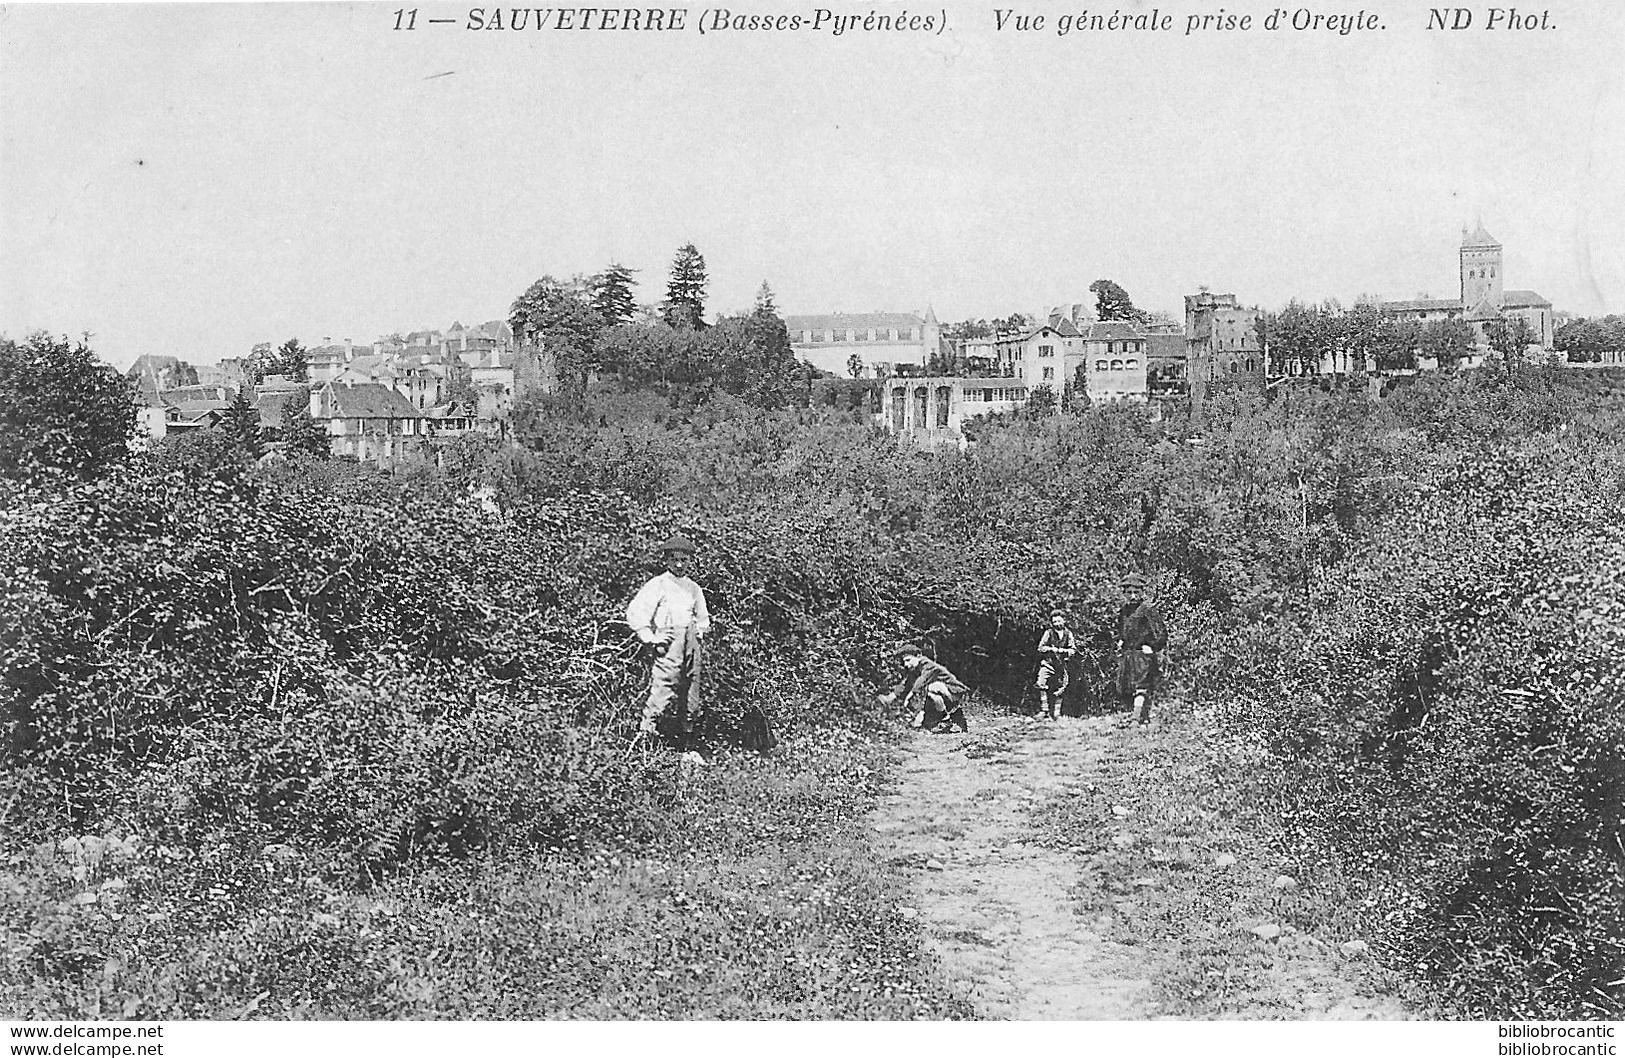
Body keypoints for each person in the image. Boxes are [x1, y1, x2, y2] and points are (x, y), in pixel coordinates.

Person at [625, 534, 710, 761]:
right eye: (674, 559)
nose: (679, 564)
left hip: (691, 640)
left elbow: (703, 618)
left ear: (690, 561)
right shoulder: (658, 584)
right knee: (662, 690)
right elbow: (636, 613)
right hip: (669, 640)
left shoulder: (693, 588)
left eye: (684, 559)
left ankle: (687, 748)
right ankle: (644, 746)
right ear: (666, 560)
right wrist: (650, 637)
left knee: (691, 693)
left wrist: (698, 632)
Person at [878, 643, 970, 734]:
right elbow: (905, 685)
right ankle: (945, 720)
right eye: (904, 661)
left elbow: (921, 682)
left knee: (932, 687)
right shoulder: (915, 669)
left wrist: (909, 697)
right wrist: (890, 697)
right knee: (931, 693)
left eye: (908, 660)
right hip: (943, 694)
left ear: (918, 656)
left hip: (955, 691)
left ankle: (948, 717)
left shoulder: (928, 666)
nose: (906, 664)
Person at [1116, 573, 1168, 726]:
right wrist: (1120, 641)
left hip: (1143, 655)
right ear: (1124, 593)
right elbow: (1122, 631)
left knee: (1142, 686)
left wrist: (1152, 646)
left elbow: (1162, 633)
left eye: (1136, 592)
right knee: (1128, 687)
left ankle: (1135, 719)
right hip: (1129, 654)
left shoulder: (1148, 609)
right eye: (1129, 592)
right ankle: (1143, 718)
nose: (1132, 596)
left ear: (1142, 592)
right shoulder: (1124, 611)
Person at [1035, 609, 1078, 720]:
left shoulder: (1068, 634)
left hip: (1061, 664)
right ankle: (1044, 710)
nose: (1057, 624)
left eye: (1059, 621)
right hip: (1048, 663)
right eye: (1054, 622)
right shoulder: (1048, 633)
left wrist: (1065, 652)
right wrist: (1051, 649)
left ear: (1064, 621)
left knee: (1061, 687)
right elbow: (1040, 647)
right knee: (1041, 683)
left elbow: (1073, 649)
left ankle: (1057, 713)